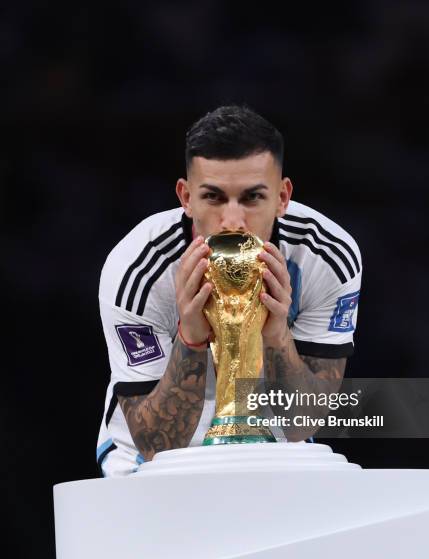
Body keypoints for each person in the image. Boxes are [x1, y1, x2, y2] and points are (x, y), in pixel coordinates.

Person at [97, 105, 362, 477]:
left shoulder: (326, 257)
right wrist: (188, 339)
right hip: (147, 460)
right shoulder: (137, 270)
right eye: (214, 198)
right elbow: (155, 444)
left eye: (253, 198)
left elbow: (304, 423)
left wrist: (277, 335)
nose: (233, 222)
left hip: (275, 446)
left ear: (283, 197)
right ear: (186, 197)